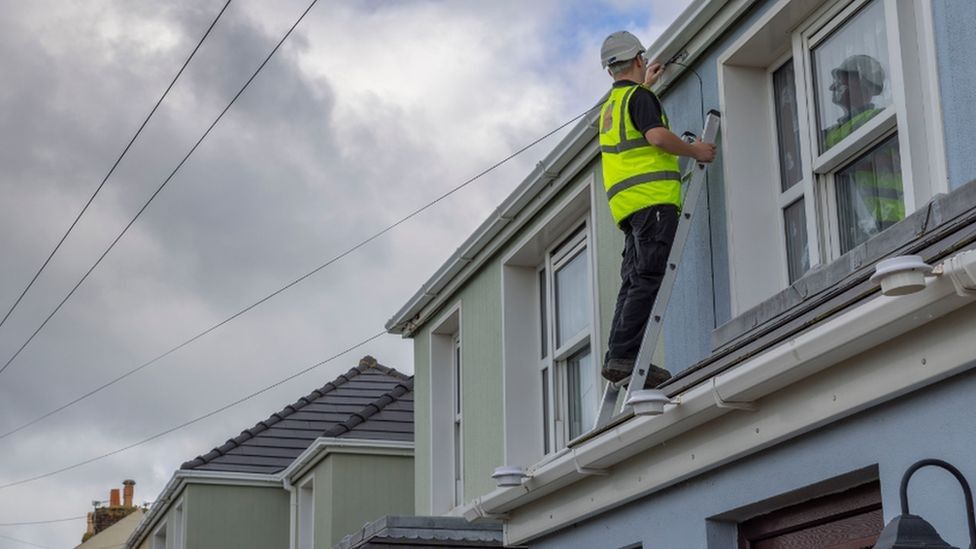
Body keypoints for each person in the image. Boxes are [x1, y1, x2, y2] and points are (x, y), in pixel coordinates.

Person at [598, 31, 716, 387]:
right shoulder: (639, 99)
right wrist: (696, 151)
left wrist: (647, 86)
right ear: (638, 59)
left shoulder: (611, 107)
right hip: (653, 202)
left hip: (628, 207)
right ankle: (625, 358)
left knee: (633, 281)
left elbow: (633, 134)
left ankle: (619, 356)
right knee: (648, 278)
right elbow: (656, 137)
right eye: (643, 61)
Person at [823, 54, 904, 244]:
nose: (832, 87)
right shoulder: (837, 131)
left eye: (839, 80)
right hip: (865, 225)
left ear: (858, 80)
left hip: (890, 219)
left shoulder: (877, 120)